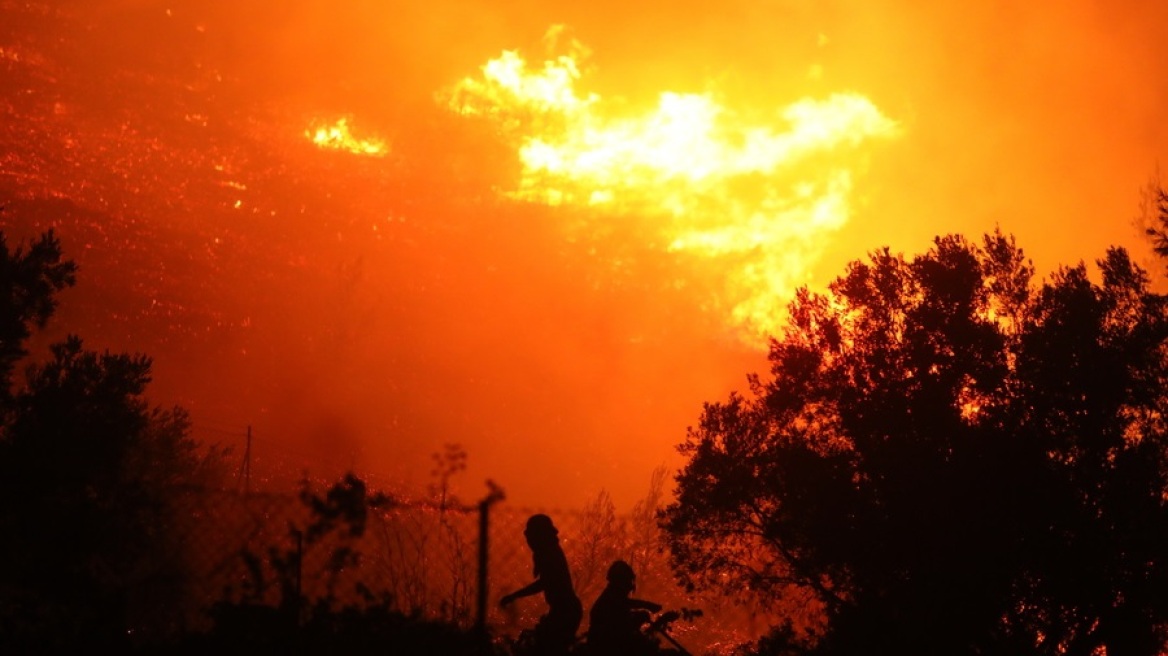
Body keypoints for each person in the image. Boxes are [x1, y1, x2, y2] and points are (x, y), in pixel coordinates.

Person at [500, 514, 583, 655]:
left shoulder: (550, 553)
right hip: (562, 610)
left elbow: (544, 583)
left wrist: (515, 595)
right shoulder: (547, 551)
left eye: (532, 535)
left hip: (565, 612)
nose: (529, 539)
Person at [586, 560, 663, 656]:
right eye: (628, 582)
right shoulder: (610, 600)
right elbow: (619, 624)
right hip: (605, 647)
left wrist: (640, 615)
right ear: (620, 582)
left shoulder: (609, 599)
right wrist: (647, 606)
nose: (630, 587)